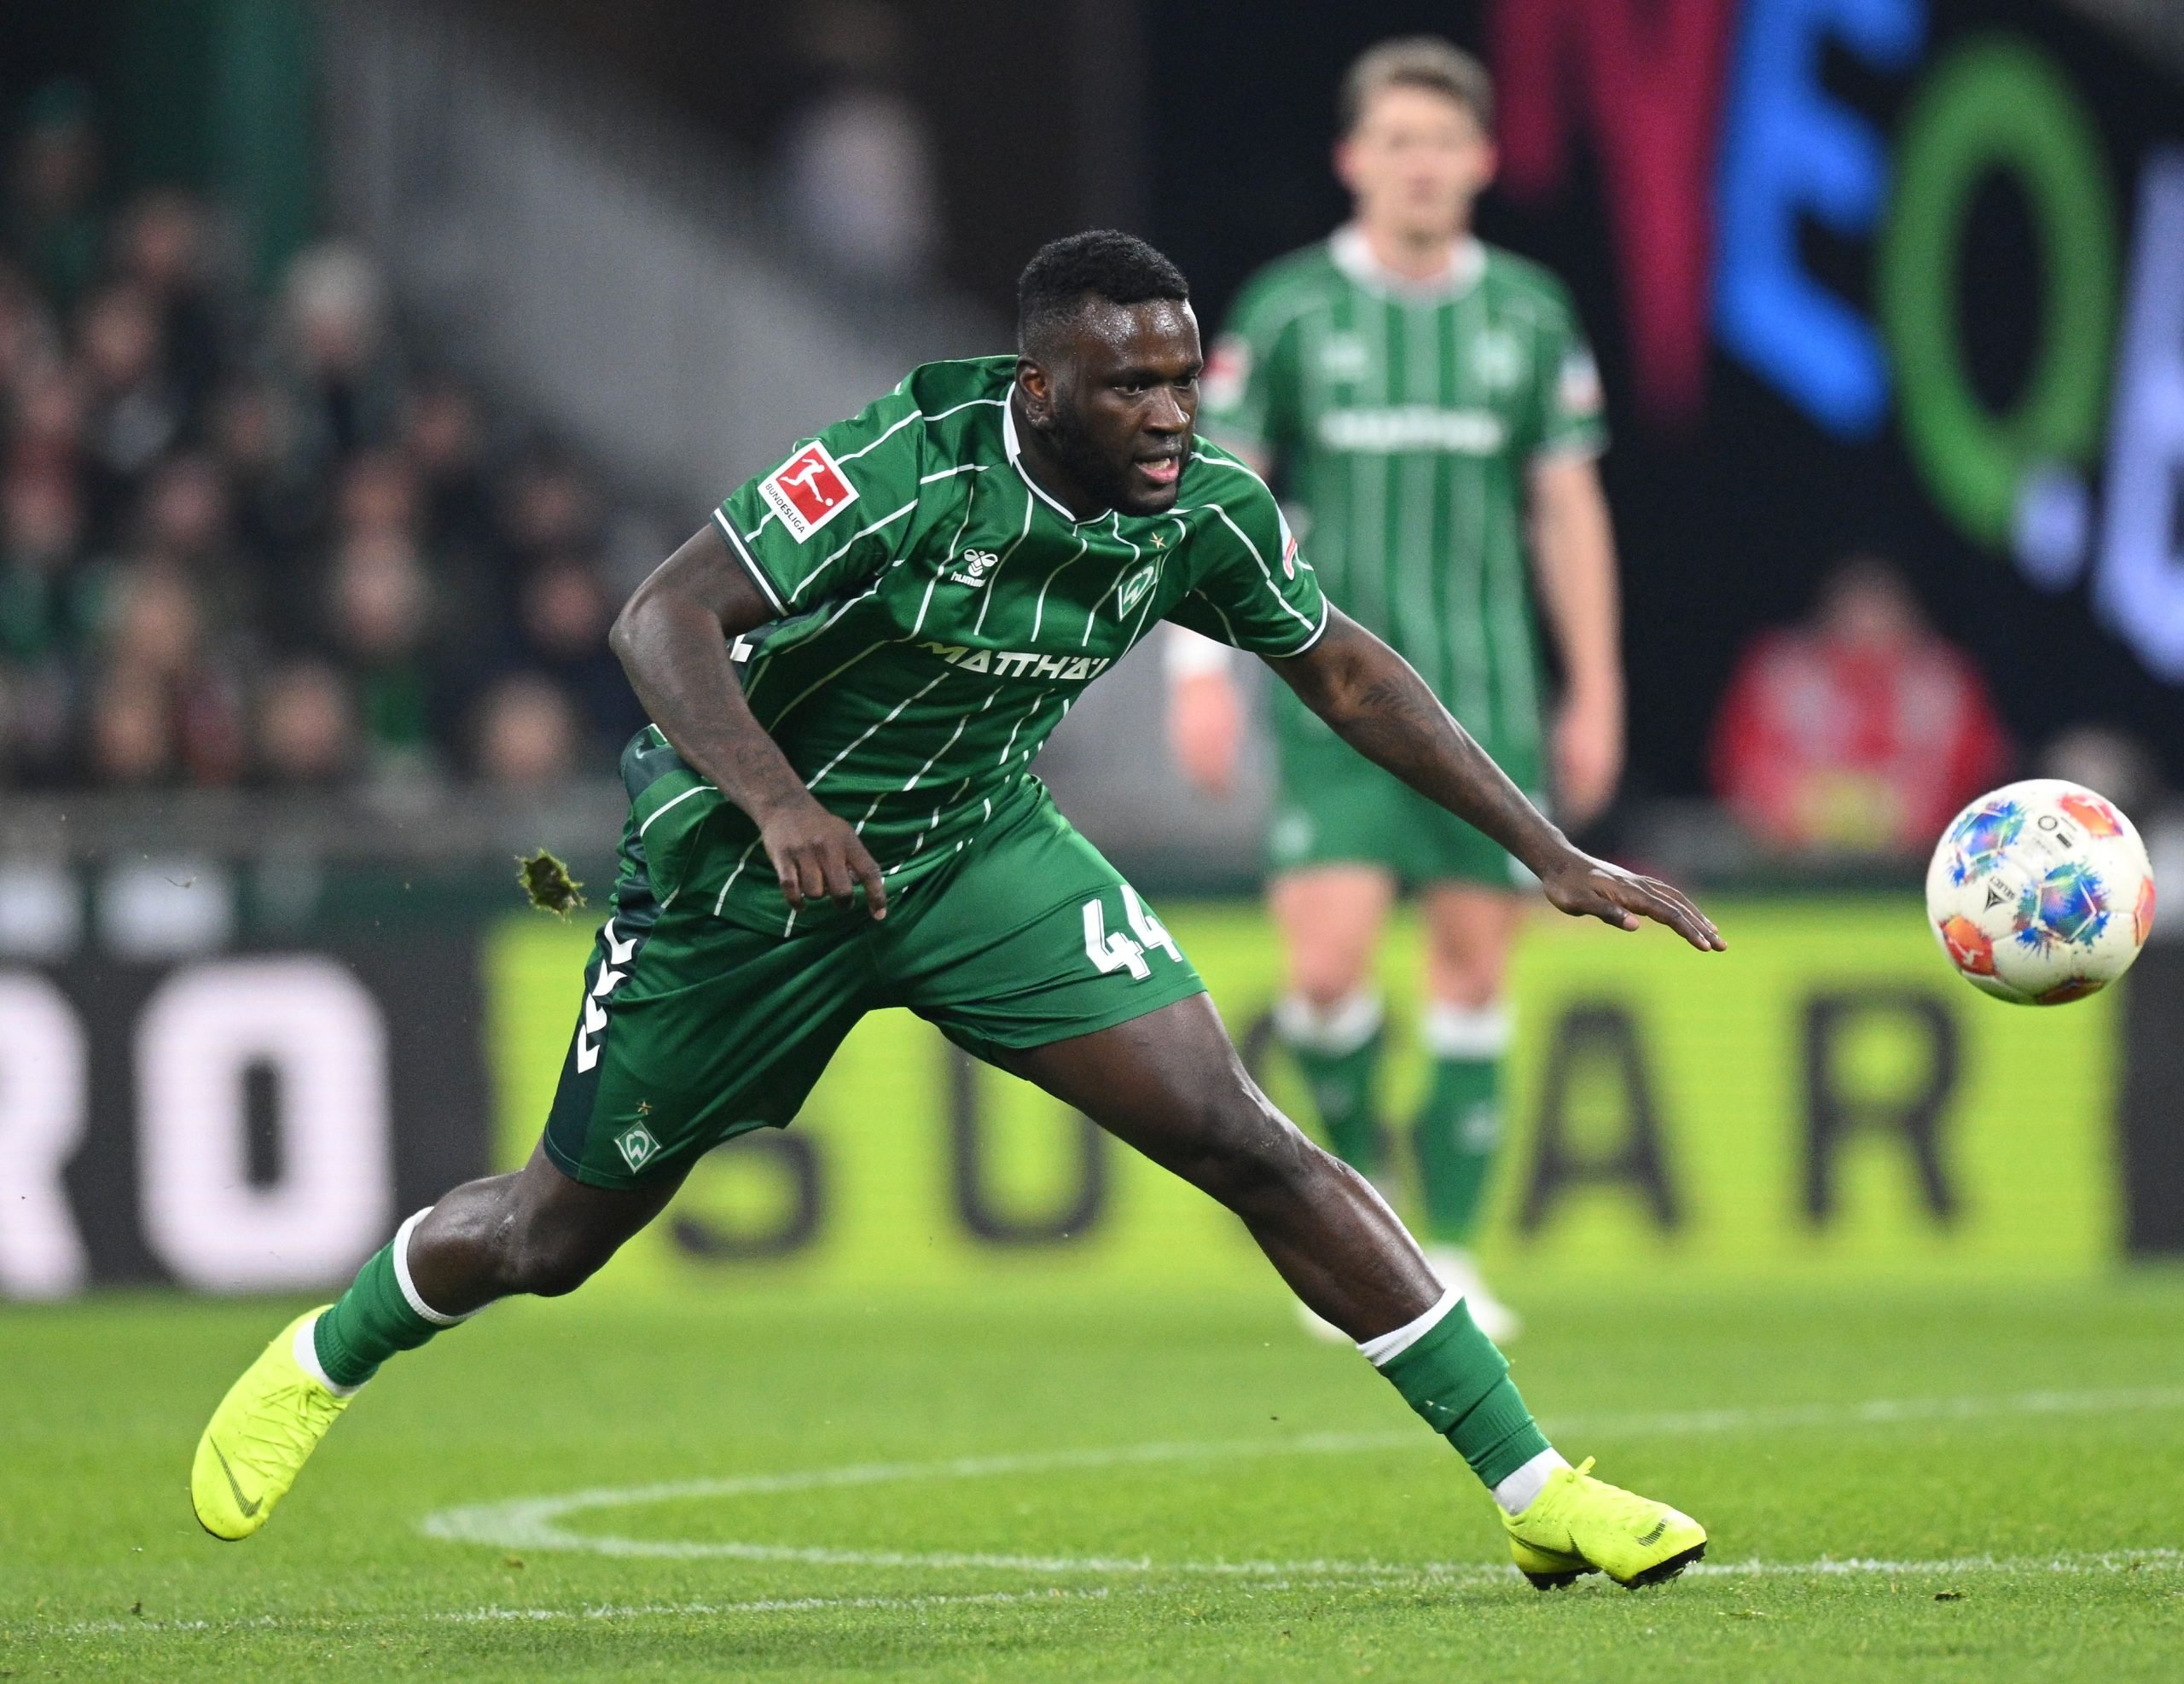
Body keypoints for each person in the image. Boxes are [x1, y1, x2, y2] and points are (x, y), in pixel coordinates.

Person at [190, 231, 1722, 1590]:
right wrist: (780, 801)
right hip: (743, 883)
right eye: (1132, 386)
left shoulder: (1205, 509)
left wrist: (1545, 850)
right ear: (1040, 390)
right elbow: (661, 615)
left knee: (1242, 1134)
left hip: (978, 854)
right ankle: (328, 1349)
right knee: (549, 1235)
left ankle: (1537, 1490)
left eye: (1184, 379)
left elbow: (1346, 672)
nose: (1172, 414)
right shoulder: (906, 464)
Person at [1169, 39, 1623, 1340]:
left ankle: (1455, 1251)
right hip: (1333, 702)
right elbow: (1211, 494)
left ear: (1482, 161)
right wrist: (1197, 669)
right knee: (1323, 969)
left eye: (1442, 143)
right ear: (1352, 160)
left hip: (1488, 699)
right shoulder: (1290, 312)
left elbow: (1567, 508)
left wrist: (1596, 686)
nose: (1420, 164)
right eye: (1397, 142)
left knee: (1475, 972)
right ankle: (1367, 1230)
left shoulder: (1528, 315)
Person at [1709, 555, 2008, 856]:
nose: (1867, 618)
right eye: (1856, 604)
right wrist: (1804, 808)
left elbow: (1974, 767)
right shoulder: (1781, 671)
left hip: (1918, 860)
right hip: (1789, 858)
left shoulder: (1943, 681)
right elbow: (1741, 757)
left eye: (1879, 604)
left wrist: (1904, 811)